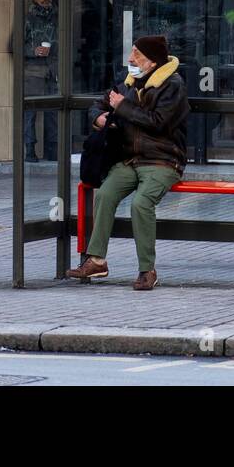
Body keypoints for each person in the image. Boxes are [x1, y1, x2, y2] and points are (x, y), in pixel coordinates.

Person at [67, 35, 189, 291]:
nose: (131, 59)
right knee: (105, 194)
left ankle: (147, 270)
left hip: (163, 160)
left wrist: (122, 107)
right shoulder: (128, 82)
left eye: (137, 54)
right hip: (130, 159)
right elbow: (98, 105)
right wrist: (99, 118)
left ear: (152, 61)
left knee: (141, 204)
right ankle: (97, 260)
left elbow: (158, 122)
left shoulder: (173, 84)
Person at [23, 0, 59, 162]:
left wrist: (52, 49)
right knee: (30, 113)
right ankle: (29, 150)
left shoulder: (57, 16)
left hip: (52, 71)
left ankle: (53, 150)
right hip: (33, 72)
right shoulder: (28, 18)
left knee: (54, 112)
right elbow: (14, 45)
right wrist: (33, 51)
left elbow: (67, 41)